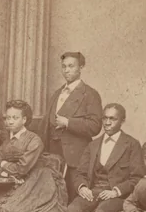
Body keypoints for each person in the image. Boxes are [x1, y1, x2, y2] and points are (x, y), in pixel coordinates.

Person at [43, 51, 103, 199]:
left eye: (71, 66)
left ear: (81, 67)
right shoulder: (57, 93)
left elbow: (95, 126)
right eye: (64, 66)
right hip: (53, 154)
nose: (66, 70)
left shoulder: (90, 94)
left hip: (76, 157)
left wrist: (68, 123)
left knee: (72, 196)